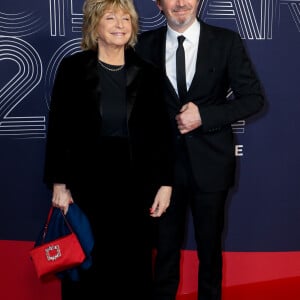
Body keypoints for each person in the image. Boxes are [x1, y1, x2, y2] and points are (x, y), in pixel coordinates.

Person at [43, 0, 173, 299]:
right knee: (87, 261)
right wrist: (59, 182)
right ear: (94, 26)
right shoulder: (74, 68)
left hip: (135, 185)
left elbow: (160, 135)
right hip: (86, 183)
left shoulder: (148, 73)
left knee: (133, 264)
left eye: (126, 18)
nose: (120, 25)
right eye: (111, 17)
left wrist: (165, 183)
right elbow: (59, 127)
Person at [135, 0, 265, 299]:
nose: (181, 3)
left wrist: (204, 116)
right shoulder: (142, 45)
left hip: (211, 166)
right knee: (163, 253)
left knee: (210, 252)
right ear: (158, 3)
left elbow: (253, 98)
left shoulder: (225, 41)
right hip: (161, 171)